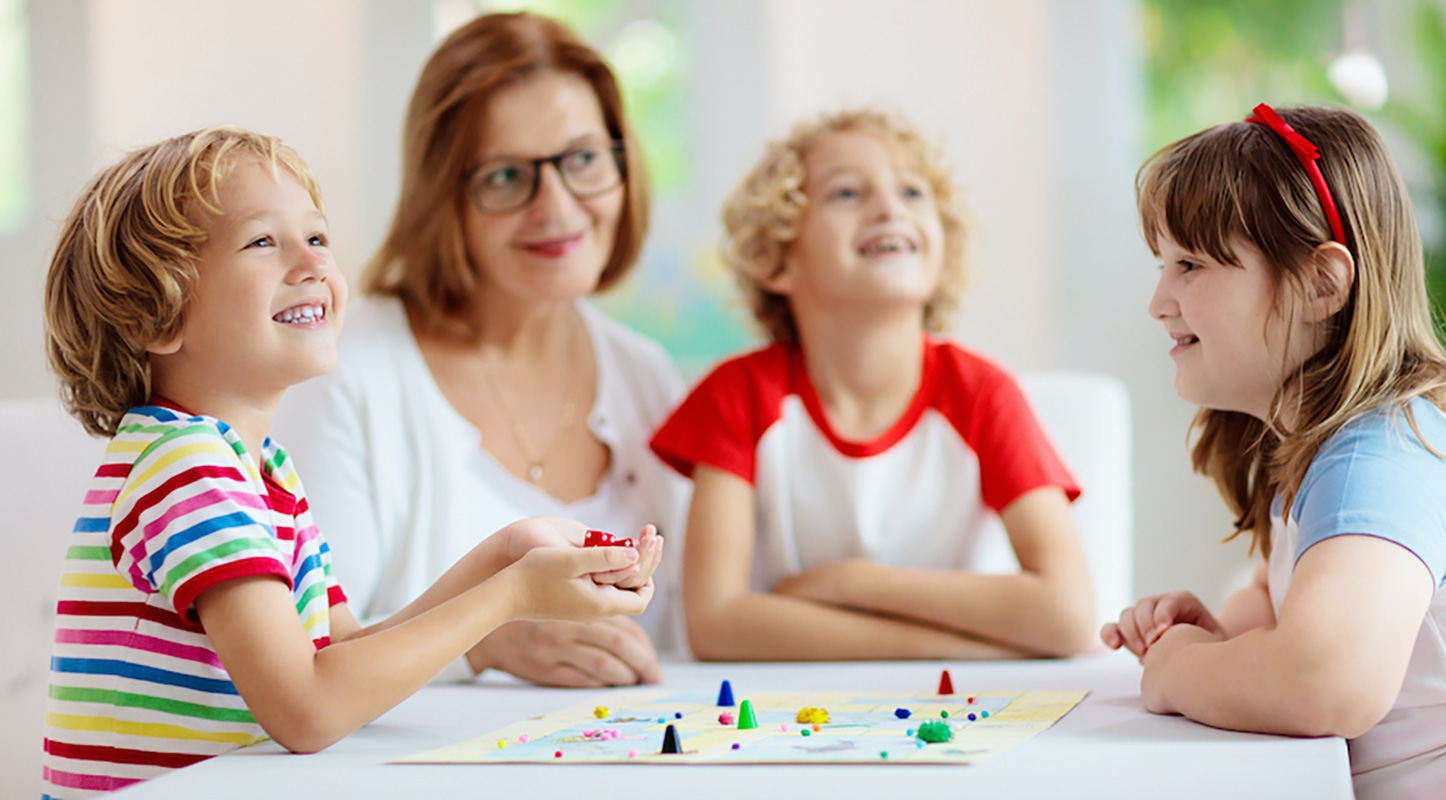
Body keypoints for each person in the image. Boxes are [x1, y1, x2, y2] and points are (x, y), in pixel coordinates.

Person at [40, 127, 656, 797]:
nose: (312, 264)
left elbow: (342, 662)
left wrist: (506, 554)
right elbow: (308, 710)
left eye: (318, 237)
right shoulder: (187, 468)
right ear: (153, 319)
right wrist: (510, 597)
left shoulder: (258, 469)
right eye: (262, 242)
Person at [272, 11, 685, 687]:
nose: (556, 208)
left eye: (582, 160)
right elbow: (294, 669)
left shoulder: (648, 378)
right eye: (505, 177)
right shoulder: (347, 371)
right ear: (444, 200)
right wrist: (484, 641)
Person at [650, 109, 1097, 661]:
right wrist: (955, 650)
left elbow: (1070, 616)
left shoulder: (983, 394)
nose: (890, 207)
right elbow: (715, 623)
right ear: (778, 259)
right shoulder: (736, 395)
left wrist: (850, 584)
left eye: (912, 191)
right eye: (846, 194)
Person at [1101, 103, 1446, 800]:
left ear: (1321, 284)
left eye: (1190, 264)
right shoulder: (1321, 449)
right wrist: (1226, 637)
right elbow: (1280, 595)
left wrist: (1179, 671)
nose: (1159, 301)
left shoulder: (1380, 455)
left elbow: (1327, 678)